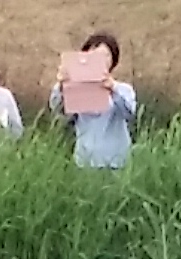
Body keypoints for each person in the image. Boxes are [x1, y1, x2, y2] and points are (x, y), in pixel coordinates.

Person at [49, 32, 136, 170]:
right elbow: (58, 110)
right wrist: (62, 85)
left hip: (116, 162)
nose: (100, 60)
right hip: (85, 161)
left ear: (113, 60)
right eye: (94, 55)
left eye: (106, 55)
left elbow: (129, 113)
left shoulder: (123, 89)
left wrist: (112, 88)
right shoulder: (75, 89)